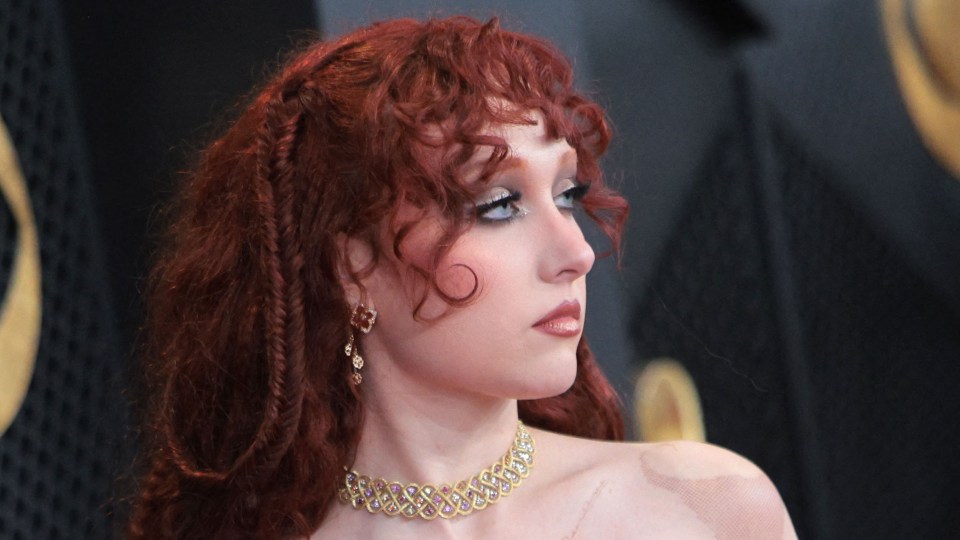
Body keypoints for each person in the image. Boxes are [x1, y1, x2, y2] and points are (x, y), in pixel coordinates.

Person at [127, 16, 797, 539]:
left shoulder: (704, 510)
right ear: (352, 266)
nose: (575, 252)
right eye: (498, 206)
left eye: (566, 195)